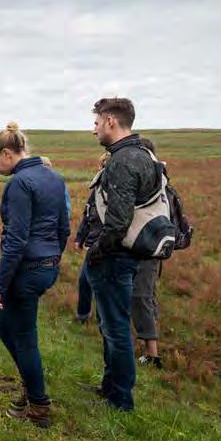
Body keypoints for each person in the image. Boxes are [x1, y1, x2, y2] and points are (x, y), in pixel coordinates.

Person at [0, 123, 69, 428]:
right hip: (45, 265)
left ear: (8, 153)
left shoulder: (20, 183)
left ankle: (38, 404)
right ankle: (29, 383)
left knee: (24, 336)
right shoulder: (53, 177)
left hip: (27, 268)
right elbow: (64, 228)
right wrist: (53, 258)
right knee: (1, 322)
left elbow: (17, 239)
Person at [84, 97, 160, 412]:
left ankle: (121, 399)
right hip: (129, 255)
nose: (94, 130)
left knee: (115, 327)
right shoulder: (145, 154)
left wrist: (96, 252)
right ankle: (111, 386)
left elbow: (117, 221)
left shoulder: (123, 159)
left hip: (116, 257)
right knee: (112, 324)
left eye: (97, 122)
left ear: (112, 122)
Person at [132, 139, 163, 368]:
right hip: (154, 247)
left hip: (145, 248)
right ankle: (150, 347)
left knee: (142, 297)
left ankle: (152, 355)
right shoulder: (161, 180)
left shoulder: (151, 182)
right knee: (148, 295)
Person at [73, 152, 110, 324]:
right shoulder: (97, 189)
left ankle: (99, 319)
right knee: (85, 281)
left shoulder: (116, 190)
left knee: (97, 283)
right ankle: (85, 316)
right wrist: (80, 238)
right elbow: (88, 214)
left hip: (105, 244)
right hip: (94, 243)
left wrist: (91, 242)